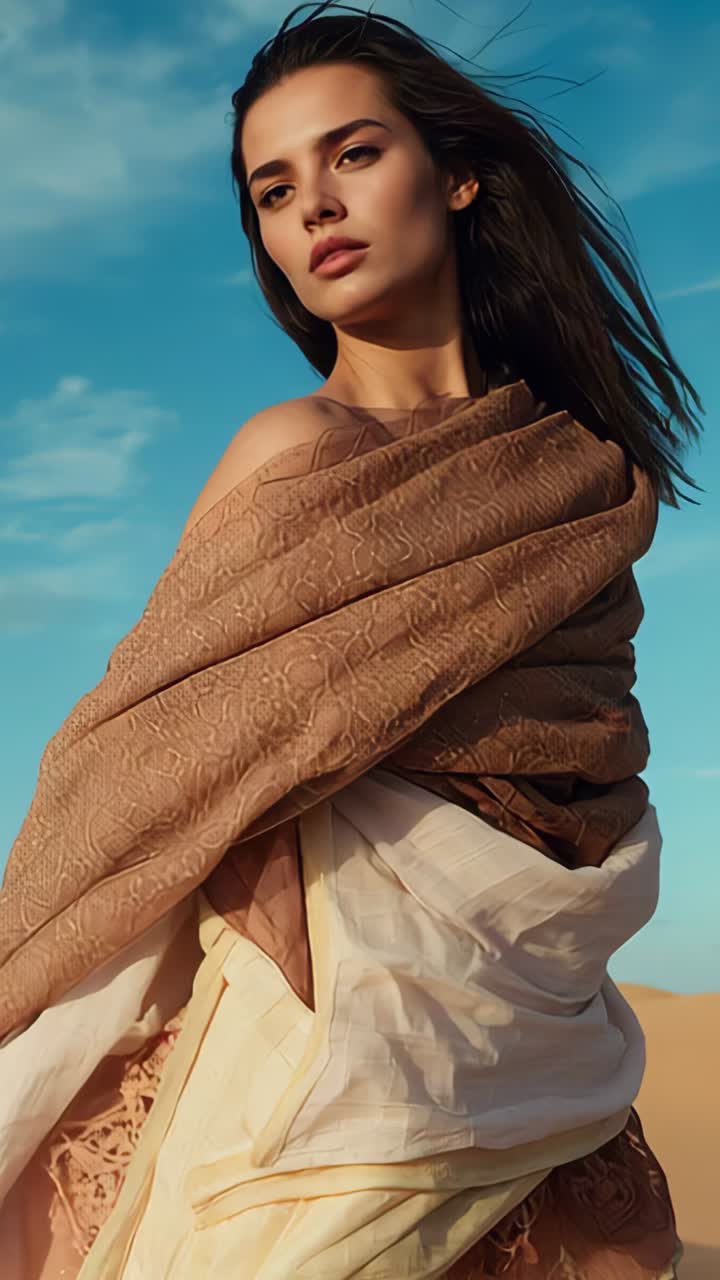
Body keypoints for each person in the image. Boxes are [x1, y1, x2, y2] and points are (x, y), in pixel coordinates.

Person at [0, 4, 704, 1276]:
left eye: (354, 155)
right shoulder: (291, 453)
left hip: (535, 1019)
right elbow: (149, 752)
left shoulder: (576, 476)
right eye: (275, 189)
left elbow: (585, 754)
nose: (314, 205)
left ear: (459, 171)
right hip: (329, 1027)